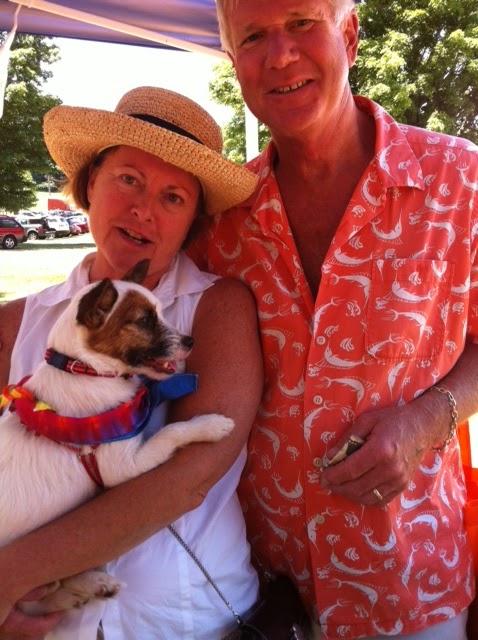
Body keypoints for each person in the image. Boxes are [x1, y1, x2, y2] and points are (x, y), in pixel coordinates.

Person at [186, 0, 478, 638]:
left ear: (349, 34)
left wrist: (427, 420)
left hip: (410, 581)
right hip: (254, 590)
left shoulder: (461, 180)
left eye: (301, 23)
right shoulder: (221, 218)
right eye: (254, 37)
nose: (280, 55)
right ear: (234, 64)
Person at [0, 86, 263, 639]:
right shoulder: (14, 323)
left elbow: (187, 478)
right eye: (128, 179)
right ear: (90, 182)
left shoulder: (216, 308)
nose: (144, 208)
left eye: (174, 197)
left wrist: (7, 577)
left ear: (192, 221)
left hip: (188, 622)